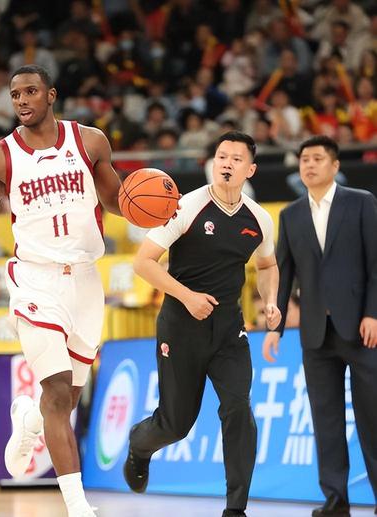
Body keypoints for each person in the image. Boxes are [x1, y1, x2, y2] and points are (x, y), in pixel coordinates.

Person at [0, 64, 122, 517]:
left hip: (86, 280)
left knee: (68, 399)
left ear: (51, 95)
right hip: (35, 280)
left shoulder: (90, 142)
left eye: (31, 92)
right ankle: (78, 506)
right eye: (15, 94)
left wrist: (163, 213)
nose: (21, 100)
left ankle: (29, 419)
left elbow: (118, 201)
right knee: (56, 391)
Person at [124, 132, 282, 517]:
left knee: (238, 409)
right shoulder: (185, 206)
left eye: (236, 158)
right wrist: (187, 297)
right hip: (181, 326)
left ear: (250, 169)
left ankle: (235, 509)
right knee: (176, 424)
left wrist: (270, 301)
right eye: (221, 156)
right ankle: (139, 446)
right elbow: (143, 263)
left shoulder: (259, 219)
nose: (227, 163)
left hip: (229, 330)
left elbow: (267, 265)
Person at [262, 135, 377, 517]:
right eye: (304, 160)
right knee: (325, 421)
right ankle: (335, 500)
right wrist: (275, 326)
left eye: (317, 158)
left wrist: (373, 313)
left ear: (335, 165)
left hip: (361, 330)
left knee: (373, 419)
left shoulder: (361, 202)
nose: (309, 165)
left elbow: (376, 264)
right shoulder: (291, 214)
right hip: (314, 334)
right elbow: (283, 273)